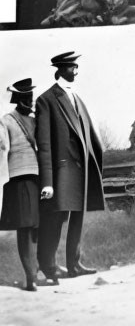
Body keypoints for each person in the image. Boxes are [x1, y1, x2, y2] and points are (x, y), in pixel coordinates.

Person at [36, 51, 105, 282]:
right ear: (61, 69)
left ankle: (74, 265)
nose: (76, 71)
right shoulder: (46, 99)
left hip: (82, 171)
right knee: (55, 220)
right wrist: (47, 182)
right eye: (72, 67)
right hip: (61, 173)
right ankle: (48, 267)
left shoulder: (77, 98)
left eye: (76, 67)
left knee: (78, 218)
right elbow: (44, 145)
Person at [0, 79, 41, 291]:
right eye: (26, 98)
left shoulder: (34, 121)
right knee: (25, 227)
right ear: (18, 99)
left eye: (31, 98)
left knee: (35, 226)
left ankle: (36, 271)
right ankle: (30, 277)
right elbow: (1, 149)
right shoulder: (6, 121)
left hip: (36, 178)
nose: (30, 102)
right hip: (18, 179)